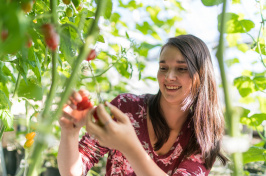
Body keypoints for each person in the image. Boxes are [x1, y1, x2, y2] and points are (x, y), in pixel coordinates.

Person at [57, 34, 228, 176]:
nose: (169, 77)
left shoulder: (202, 136)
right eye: (163, 68)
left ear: (201, 76)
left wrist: (129, 147)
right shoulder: (126, 109)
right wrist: (70, 133)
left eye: (181, 69)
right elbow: (73, 172)